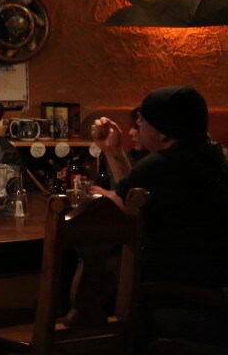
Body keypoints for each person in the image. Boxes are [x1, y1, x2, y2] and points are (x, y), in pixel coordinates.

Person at [90, 86, 228, 289]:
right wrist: (113, 150)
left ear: (162, 134)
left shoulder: (160, 164)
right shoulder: (215, 156)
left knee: (99, 273)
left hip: (175, 289)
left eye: (142, 120)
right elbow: (133, 198)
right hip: (215, 284)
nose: (137, 124)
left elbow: (122, 211)